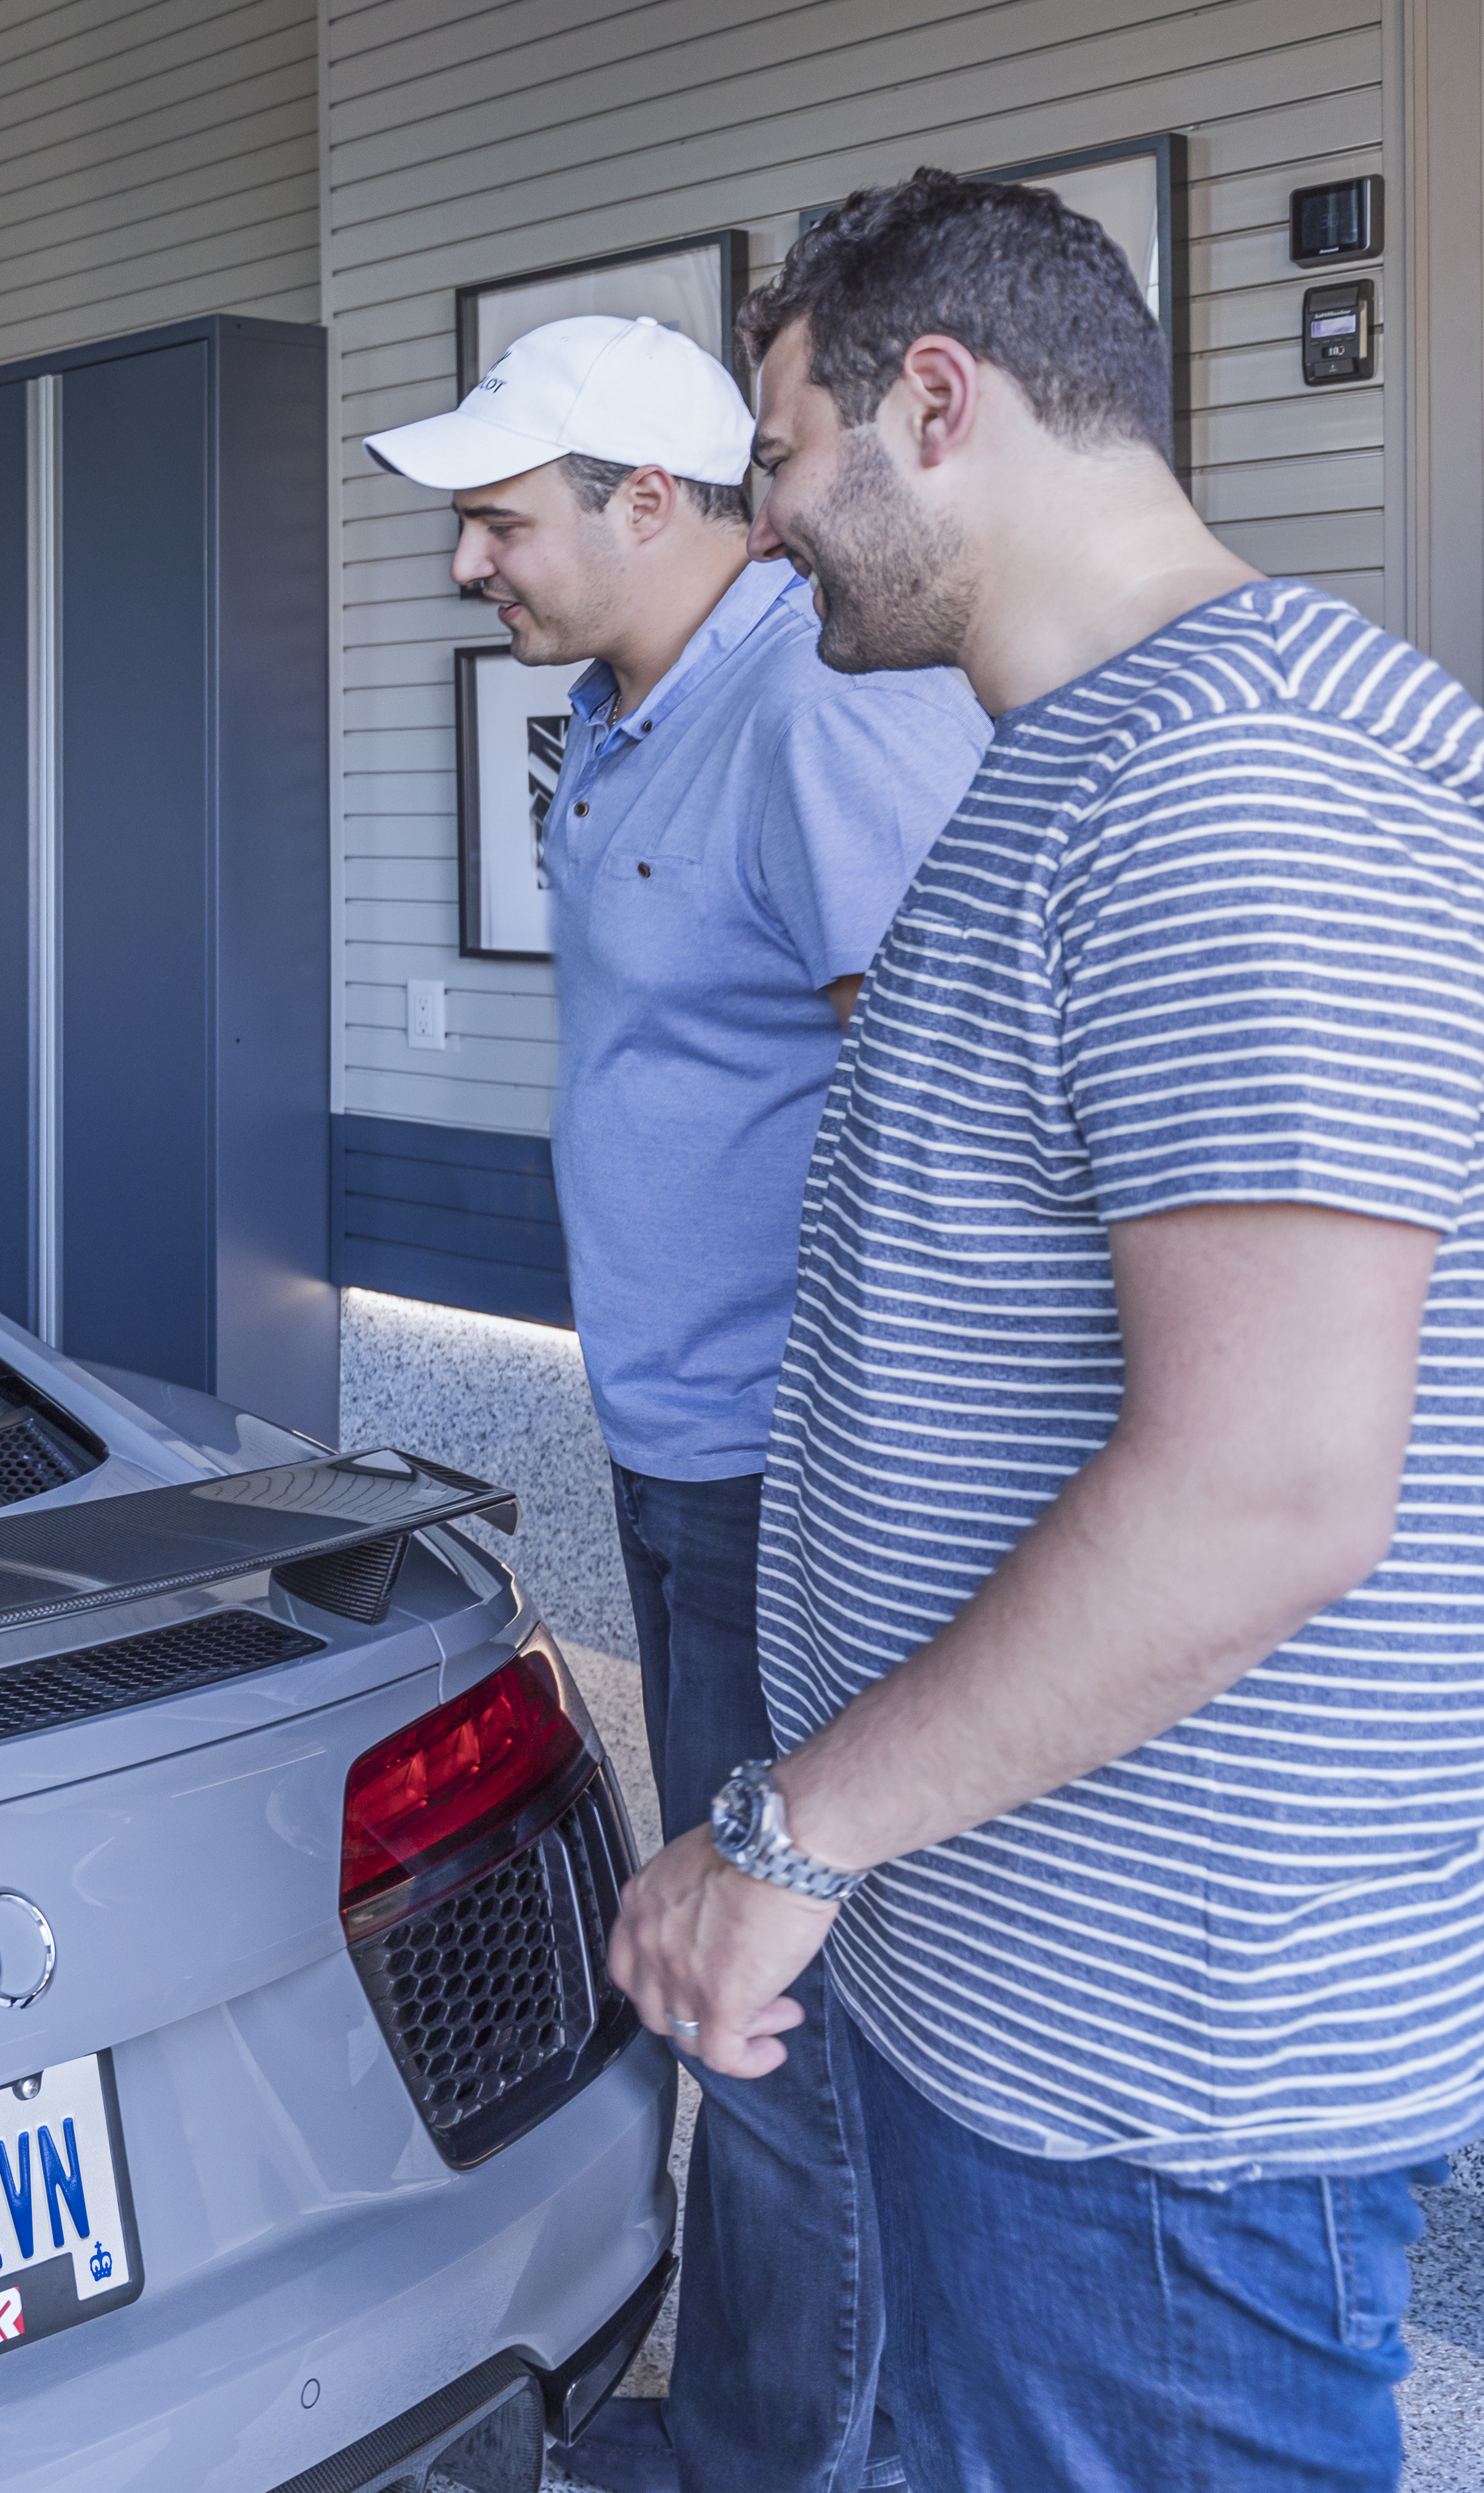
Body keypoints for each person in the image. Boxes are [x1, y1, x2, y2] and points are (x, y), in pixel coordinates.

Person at [610, 166, 1484, 2491]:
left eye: (784, 464)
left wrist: (788, 1837)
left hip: (1164, 2096)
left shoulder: (1240, 784)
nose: (767, 534)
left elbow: (1269, 1482)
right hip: (1024, 2014)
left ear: (938, 398)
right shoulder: (1082, 763)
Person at [366, 315, 988, 2492]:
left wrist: (859, 1473)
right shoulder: (636, 721)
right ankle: (761, 2412)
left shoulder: (821, 716)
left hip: (789, 1485)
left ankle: (781, 2463)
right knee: (747, 1987)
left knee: (772, 2001)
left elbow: (943, 1142)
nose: (468, 563)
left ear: (652, 497)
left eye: (500, 519)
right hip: (683, 1453)